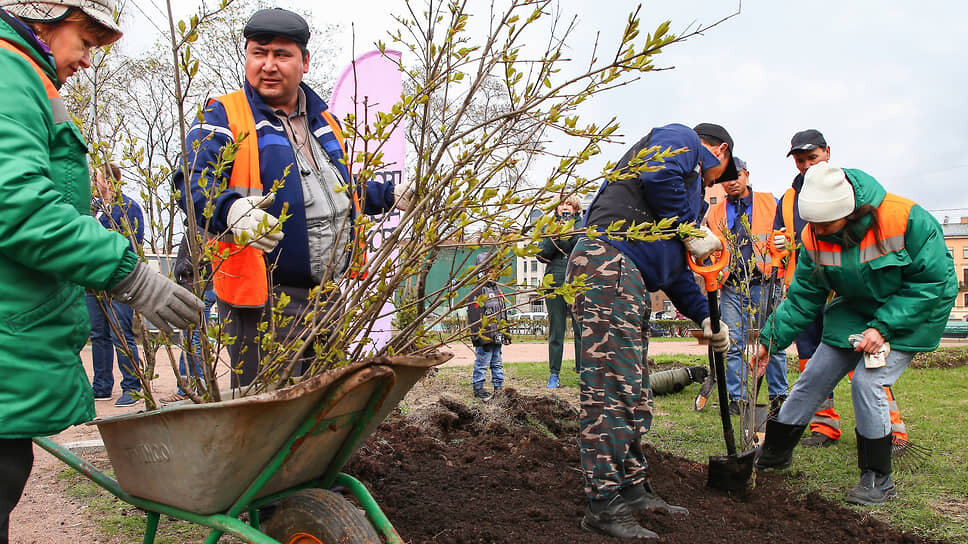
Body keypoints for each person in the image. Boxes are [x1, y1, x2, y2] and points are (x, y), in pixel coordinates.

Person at [0, 1, 203, 540]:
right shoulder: (7, 73)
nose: (88, 59)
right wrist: (128, 273)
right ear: (42, 17)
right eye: (85, 40)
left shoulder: (24, 76)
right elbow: (17, 205)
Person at [173, 8, 409, 388]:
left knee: (324, 406)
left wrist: (387, 194)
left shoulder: (324, 122)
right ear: (246, 57)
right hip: (264, 299)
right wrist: (230, 209)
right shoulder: (225, 114)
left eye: (281, 54)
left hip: (327, 297)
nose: (268, 65)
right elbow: (192, 182)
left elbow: (337, 190)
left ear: (304, 62)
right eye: (258, 52)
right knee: (265, 413)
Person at [753, 162, 956, 505]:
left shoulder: (905, 218)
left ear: (849, 212)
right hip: (857, 308)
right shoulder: (813, 235)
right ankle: (774, 452)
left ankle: (877, 477)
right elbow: (803, 296)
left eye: (825, 224)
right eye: (813, 224)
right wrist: (768, 342)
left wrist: (884, 327)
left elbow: (934, 282)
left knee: (868, 381)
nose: (818, 231)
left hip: (913, 311)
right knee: (814, 375)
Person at [567, 122, 734, 539]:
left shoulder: (680, 208)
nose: (714, 188)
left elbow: (677, 273)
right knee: (611, 390)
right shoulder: (683, 138)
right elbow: (658, 173)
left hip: (630, 276)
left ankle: (631, 488)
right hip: (608, 265)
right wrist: (689, 226)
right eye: (718, 179)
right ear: (721, 154)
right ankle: (603, 504)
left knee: (634, 391)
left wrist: (706, 318)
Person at [775, 129, 910, 449]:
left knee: (864, 359)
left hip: (846, 291)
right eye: (800, 160)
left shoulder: (846, 191)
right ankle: (824, 426)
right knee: (811, 362)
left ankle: (891, 429)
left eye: (813, 157)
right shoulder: (788, 199)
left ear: (828, 153)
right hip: (806, 289)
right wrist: (780, 247)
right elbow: (787, 244)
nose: (807, 164)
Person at [704, 157, 788, 415]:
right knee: (733, 343)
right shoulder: (715, 213)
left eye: (736, 176)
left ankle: (778, 397)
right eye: (726, 179)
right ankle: (737, 399)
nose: (731, 182)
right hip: (732, 284)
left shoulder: (770, 203)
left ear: (746, 175)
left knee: (772, 339)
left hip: (765, 280)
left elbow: (784, 235)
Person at [87, 162, 145, 408]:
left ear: (109, 181)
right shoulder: (90, 209)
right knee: (98, 334)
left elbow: (133, 243)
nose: (95, 183)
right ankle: (101, 387)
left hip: (117, 281)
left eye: (98, 178)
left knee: (120, 334)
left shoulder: (128, 207)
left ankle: (132, 387)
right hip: (91, 282)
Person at [161, 234, 219, 403]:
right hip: (196, 286)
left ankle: (194, 390)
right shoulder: (199, 224)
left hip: (199, 287)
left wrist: (181, 268)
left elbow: (200, 260)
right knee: (195, 338)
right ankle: (197, 387)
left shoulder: (201, 225)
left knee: (193, 340)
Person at [536, 194, 583, 389]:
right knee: (556, 329)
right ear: (556, 208)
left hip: (577, 281)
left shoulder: (583, 224)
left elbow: (579, 248)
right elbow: (542, 253)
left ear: (575, 208)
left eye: (569, 204)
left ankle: (584, 372)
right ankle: (554, 373)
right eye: (562, 204)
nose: (565, 207)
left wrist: (568, 231)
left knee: (581, 329)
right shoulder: (549, 225)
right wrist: (556, 233)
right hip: (554, 281)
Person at [467, 252, 510, 400]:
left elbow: (503, 313)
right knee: (482, 363)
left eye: (497, 270)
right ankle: (478, 388)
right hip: (485, 337)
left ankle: (499, 387)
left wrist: (506, 333)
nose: (495, 274)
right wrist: (479, 336)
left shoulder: (498, 290)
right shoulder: (478, 291)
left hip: (497, 336)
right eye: (492, 270)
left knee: (497, 363)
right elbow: (474, 316)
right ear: (483, 272)